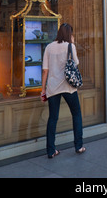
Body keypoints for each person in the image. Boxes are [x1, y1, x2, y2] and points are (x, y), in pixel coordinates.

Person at [41, 23, 86, 158]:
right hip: (69, 87)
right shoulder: (70, 46)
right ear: (69, 34)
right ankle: (78, 146)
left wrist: (43, 89)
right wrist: (71, 44)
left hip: (53, 87)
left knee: (53, 118)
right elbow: (76, 63)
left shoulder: (49, 47)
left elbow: (45, 70)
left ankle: (51, 150)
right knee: (76, 114)